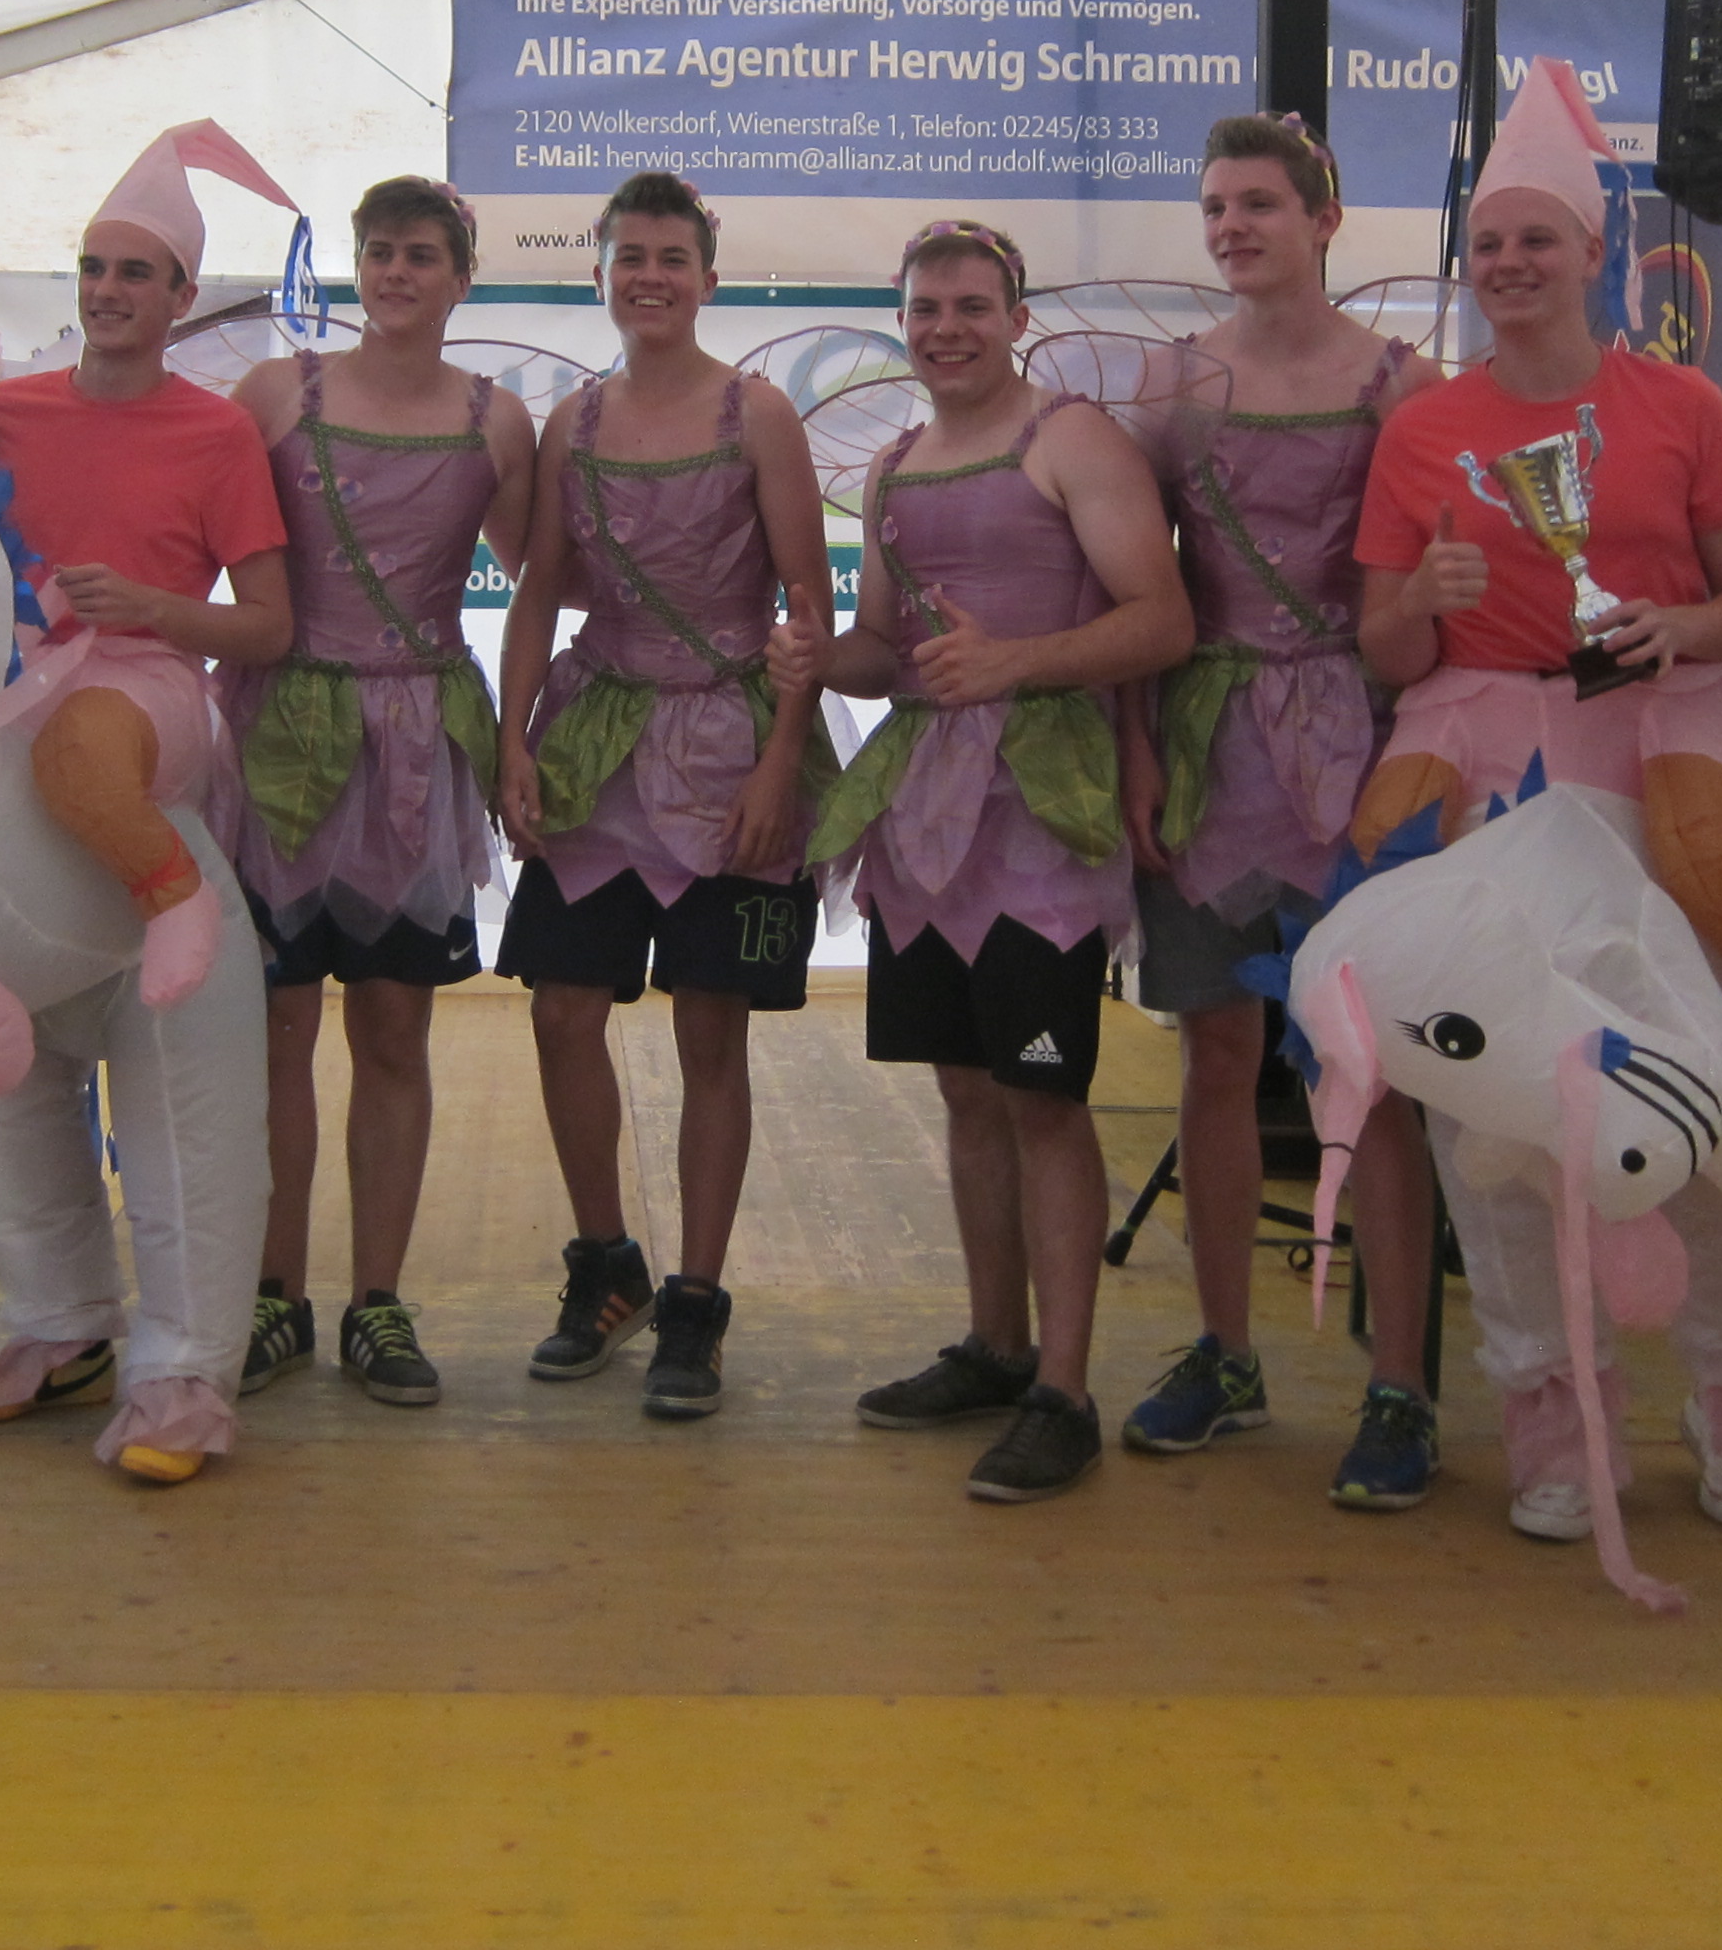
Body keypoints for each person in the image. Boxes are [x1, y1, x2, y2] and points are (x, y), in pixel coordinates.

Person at [1354, 65, 1722, 1544]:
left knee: (1707, 1078)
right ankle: (1552, 1414)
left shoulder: (1680, 405)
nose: (1510, 265)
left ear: (1592, 252)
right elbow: (1383, 648)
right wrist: (1421, 602)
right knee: (1500, 1106)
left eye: (1536, 241)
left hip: (1657, 761)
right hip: (1494, 784)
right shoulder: (1423, 430)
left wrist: (1676, 629)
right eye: (1489, 244)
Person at [0, 122, 296, 1483]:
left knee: (84, 745)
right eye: (93, 267)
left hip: (143, 694)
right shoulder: (10, 411)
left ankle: (184, 1363)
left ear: (182, 296)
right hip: (11, 694)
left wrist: (150, 607)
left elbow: (265, 625)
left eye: (136, 272)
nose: (109, 290)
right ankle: (56, 1318)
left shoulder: (215, 430)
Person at [816, 219, 1194, 1501]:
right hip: (929, 823)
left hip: (1044, 813)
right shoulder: (892, 468)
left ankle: (1065, 1395)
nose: (947, 329)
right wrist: (814, 657)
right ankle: (994, 1346)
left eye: (972, 307)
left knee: (1042, 1099)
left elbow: (1163, 620)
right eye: (926, 310)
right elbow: (885, 651)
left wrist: (1016, 664)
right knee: (967, 1092)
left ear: (1017, 320)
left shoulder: (1074, 440)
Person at [1111, 114, 1443, 1501]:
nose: (1232, 227)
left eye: (1256, 202)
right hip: (1206, 745)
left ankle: (1401, 1385)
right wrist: (1137, 752)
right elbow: (1135, 584)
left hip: (1357, 745)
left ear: (1324, 218)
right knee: (1214, 1050)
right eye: (1214, 207)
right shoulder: (1172, 382)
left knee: (1373, 1069)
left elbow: (1423, 592)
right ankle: (1227, 1353)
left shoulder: (1400, 383)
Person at [496, 171, 835, 1418]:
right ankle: (607, 1265)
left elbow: (809, 604)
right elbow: (539, 588)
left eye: (671, 258)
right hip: (598, 742)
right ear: (599, 273)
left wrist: (781, 761)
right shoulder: (571, 424)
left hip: (728, 746)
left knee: (711, 1030)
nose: (649, 276)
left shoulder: (760, 414)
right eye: (629, 257)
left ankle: (696, 1296)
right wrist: (515, 740)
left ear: (707, 277)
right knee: (560, 1011)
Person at [218, 178, 535, 1410]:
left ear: (462, 277)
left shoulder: (499, 421)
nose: (395, 273)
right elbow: (197, 540)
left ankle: (378, 1302)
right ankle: (272, 1293)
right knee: (273, 1031)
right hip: (279, 736)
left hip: (413, 746)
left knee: (394, 1030)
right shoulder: (272, 394)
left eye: (420, 255)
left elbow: (543, 576)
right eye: (379, 252)